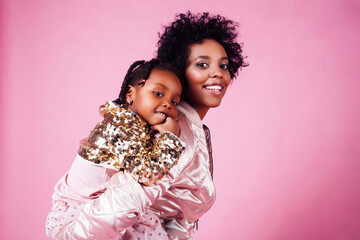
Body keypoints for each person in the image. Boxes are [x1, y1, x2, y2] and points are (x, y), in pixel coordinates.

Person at [46, 11, 247, 240]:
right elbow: (123, 200)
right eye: (202, 64)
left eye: (224, 66)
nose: (217, 73)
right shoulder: (172, 129)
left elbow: (173, 217)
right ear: (179, 71)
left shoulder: (187, 126)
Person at [46, 59, 185, 239]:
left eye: (175, 102)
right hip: (75, 213)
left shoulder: (135, 124)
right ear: (130, 94)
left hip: (97, 204)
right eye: (158, 93)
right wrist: (171, 140)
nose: (167, 104)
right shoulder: (122, 125)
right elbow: (146, 175)